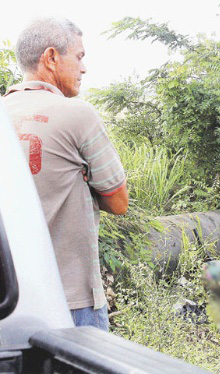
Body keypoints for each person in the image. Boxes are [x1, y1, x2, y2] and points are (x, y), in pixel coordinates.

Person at [2, 17, 128, 331]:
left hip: (11, 302)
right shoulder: (78, 114)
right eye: (80, 56)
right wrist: (83, 179)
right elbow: (119, 203)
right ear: (51, 57)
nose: (84, 68)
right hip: (72, 301)